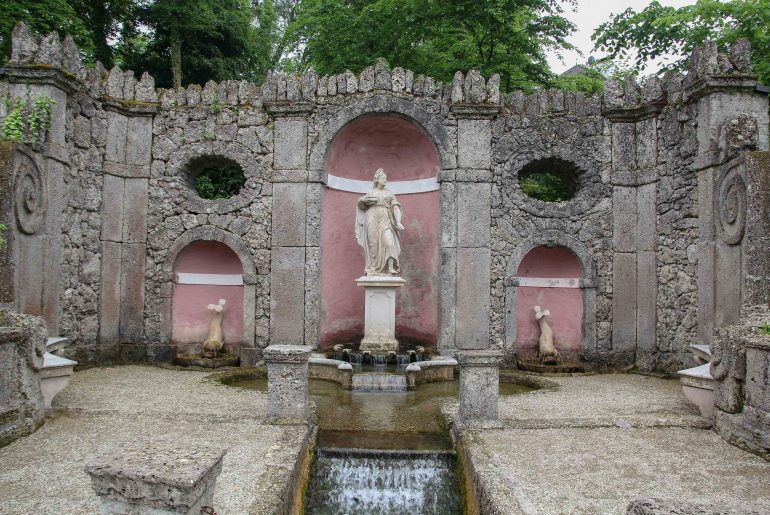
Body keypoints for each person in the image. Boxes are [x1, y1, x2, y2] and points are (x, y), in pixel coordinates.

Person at [355, 168, 404, 275]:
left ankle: (390, 267)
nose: (385, 180)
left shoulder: (389, 193)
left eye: (385, 178)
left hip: (386, 219)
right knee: (373, 243)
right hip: (371, 217)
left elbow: (395, 207)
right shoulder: (370, 192)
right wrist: (362, 201)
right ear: (377, 180)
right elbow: (361, 205)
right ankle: (373, 268)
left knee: (389, 242)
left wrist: (398, 221)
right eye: (383, 178)